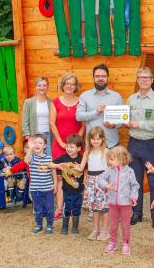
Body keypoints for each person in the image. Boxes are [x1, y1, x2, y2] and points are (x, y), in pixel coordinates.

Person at [126, 67, 154, 228]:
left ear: (152, 80)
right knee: (135, 180)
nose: (144, 80)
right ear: (137, 80)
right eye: (141, 77)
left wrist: (139, 124)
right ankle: (136, 212)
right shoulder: (131, 99)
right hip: (134, 143)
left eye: (147, 77)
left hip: (152, 144)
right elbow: (126, 118)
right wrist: (122, 121)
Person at [50, 73, 85, 220]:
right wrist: (61, 142)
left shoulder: (81, 102)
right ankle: (59, 208)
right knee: (60, 177)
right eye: (66, 83)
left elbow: (84, 123)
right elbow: (52, 123)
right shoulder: (55, 102)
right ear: (62, 85)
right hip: (60, 145)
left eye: (72, 83)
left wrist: (77, 141)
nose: (69, 86)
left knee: (75, 175)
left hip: (76, 144)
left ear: (76, 86)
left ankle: (73, 206)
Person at [97, 146, 139, 255]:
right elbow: (100, 179)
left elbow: (135, 186)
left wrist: (133, 197)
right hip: (112, 203)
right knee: (113, 224)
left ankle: (126, 244)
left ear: (122, 159)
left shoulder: (130, 171)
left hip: (126, 204)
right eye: (109, 158)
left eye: (112, 158)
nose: (109, 161)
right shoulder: (109, 170)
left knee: (125, 225)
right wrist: (106, 185)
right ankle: (112, 242)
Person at [76, 64, 123, 149]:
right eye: (97, 76)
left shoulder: (116, 97)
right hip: (92, 144)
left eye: (103, 76)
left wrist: (114, 125)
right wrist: (95, 112)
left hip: (111, 144)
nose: (100, 78)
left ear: (107, 78)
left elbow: (121, 120)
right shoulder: (85, 96)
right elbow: (79, 116)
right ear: (93, 78)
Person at [77, 127, 110, 240]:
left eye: (98, 139)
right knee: (95, 208)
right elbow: (81, 167)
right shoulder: (87, 151)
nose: (95, 141)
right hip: (91, 182)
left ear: (102, 139)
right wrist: (75, 167)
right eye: (93, 139)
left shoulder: (106, 151)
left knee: (104, 208)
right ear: (89, 139)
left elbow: (111, 167)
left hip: (102, 181)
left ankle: (105, 231)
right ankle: (95, 230)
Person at [51, 134, 85, 235]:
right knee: (67, 207)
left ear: (78, 148)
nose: (68, 149)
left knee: (76, 208)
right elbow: (50, 164)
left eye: (72, 147)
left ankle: (75, 227)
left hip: (78, 190)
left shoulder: (82, 160)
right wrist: (58, 165)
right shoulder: (63, 158)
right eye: (67, 146)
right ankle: (64, 227)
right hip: (66, 190)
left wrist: (85, 182)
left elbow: (86, 170)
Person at [25, 134, 57, 234]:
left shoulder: (48, 158)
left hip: (48, 189)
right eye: (35, 143)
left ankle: (50, 225)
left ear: (44, 146)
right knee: (38, 209)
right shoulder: (32, 157)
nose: (37, 145)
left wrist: (55, 184)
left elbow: (53, 171)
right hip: (36, 189)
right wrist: (30, 149)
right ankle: (39, 225)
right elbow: (26, 160)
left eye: (40, 143)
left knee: (50, 208)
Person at [22, 76, 52, 156]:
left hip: (48, 135)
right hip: (34, 134)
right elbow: (25, 119)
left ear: (47, 87)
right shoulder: (29, 102)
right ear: (35, 87)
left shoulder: (51, 102)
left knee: (48, 157)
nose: (42, 88)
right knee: (34, 158)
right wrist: (27, 135)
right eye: (39, 85)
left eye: (44, 85)